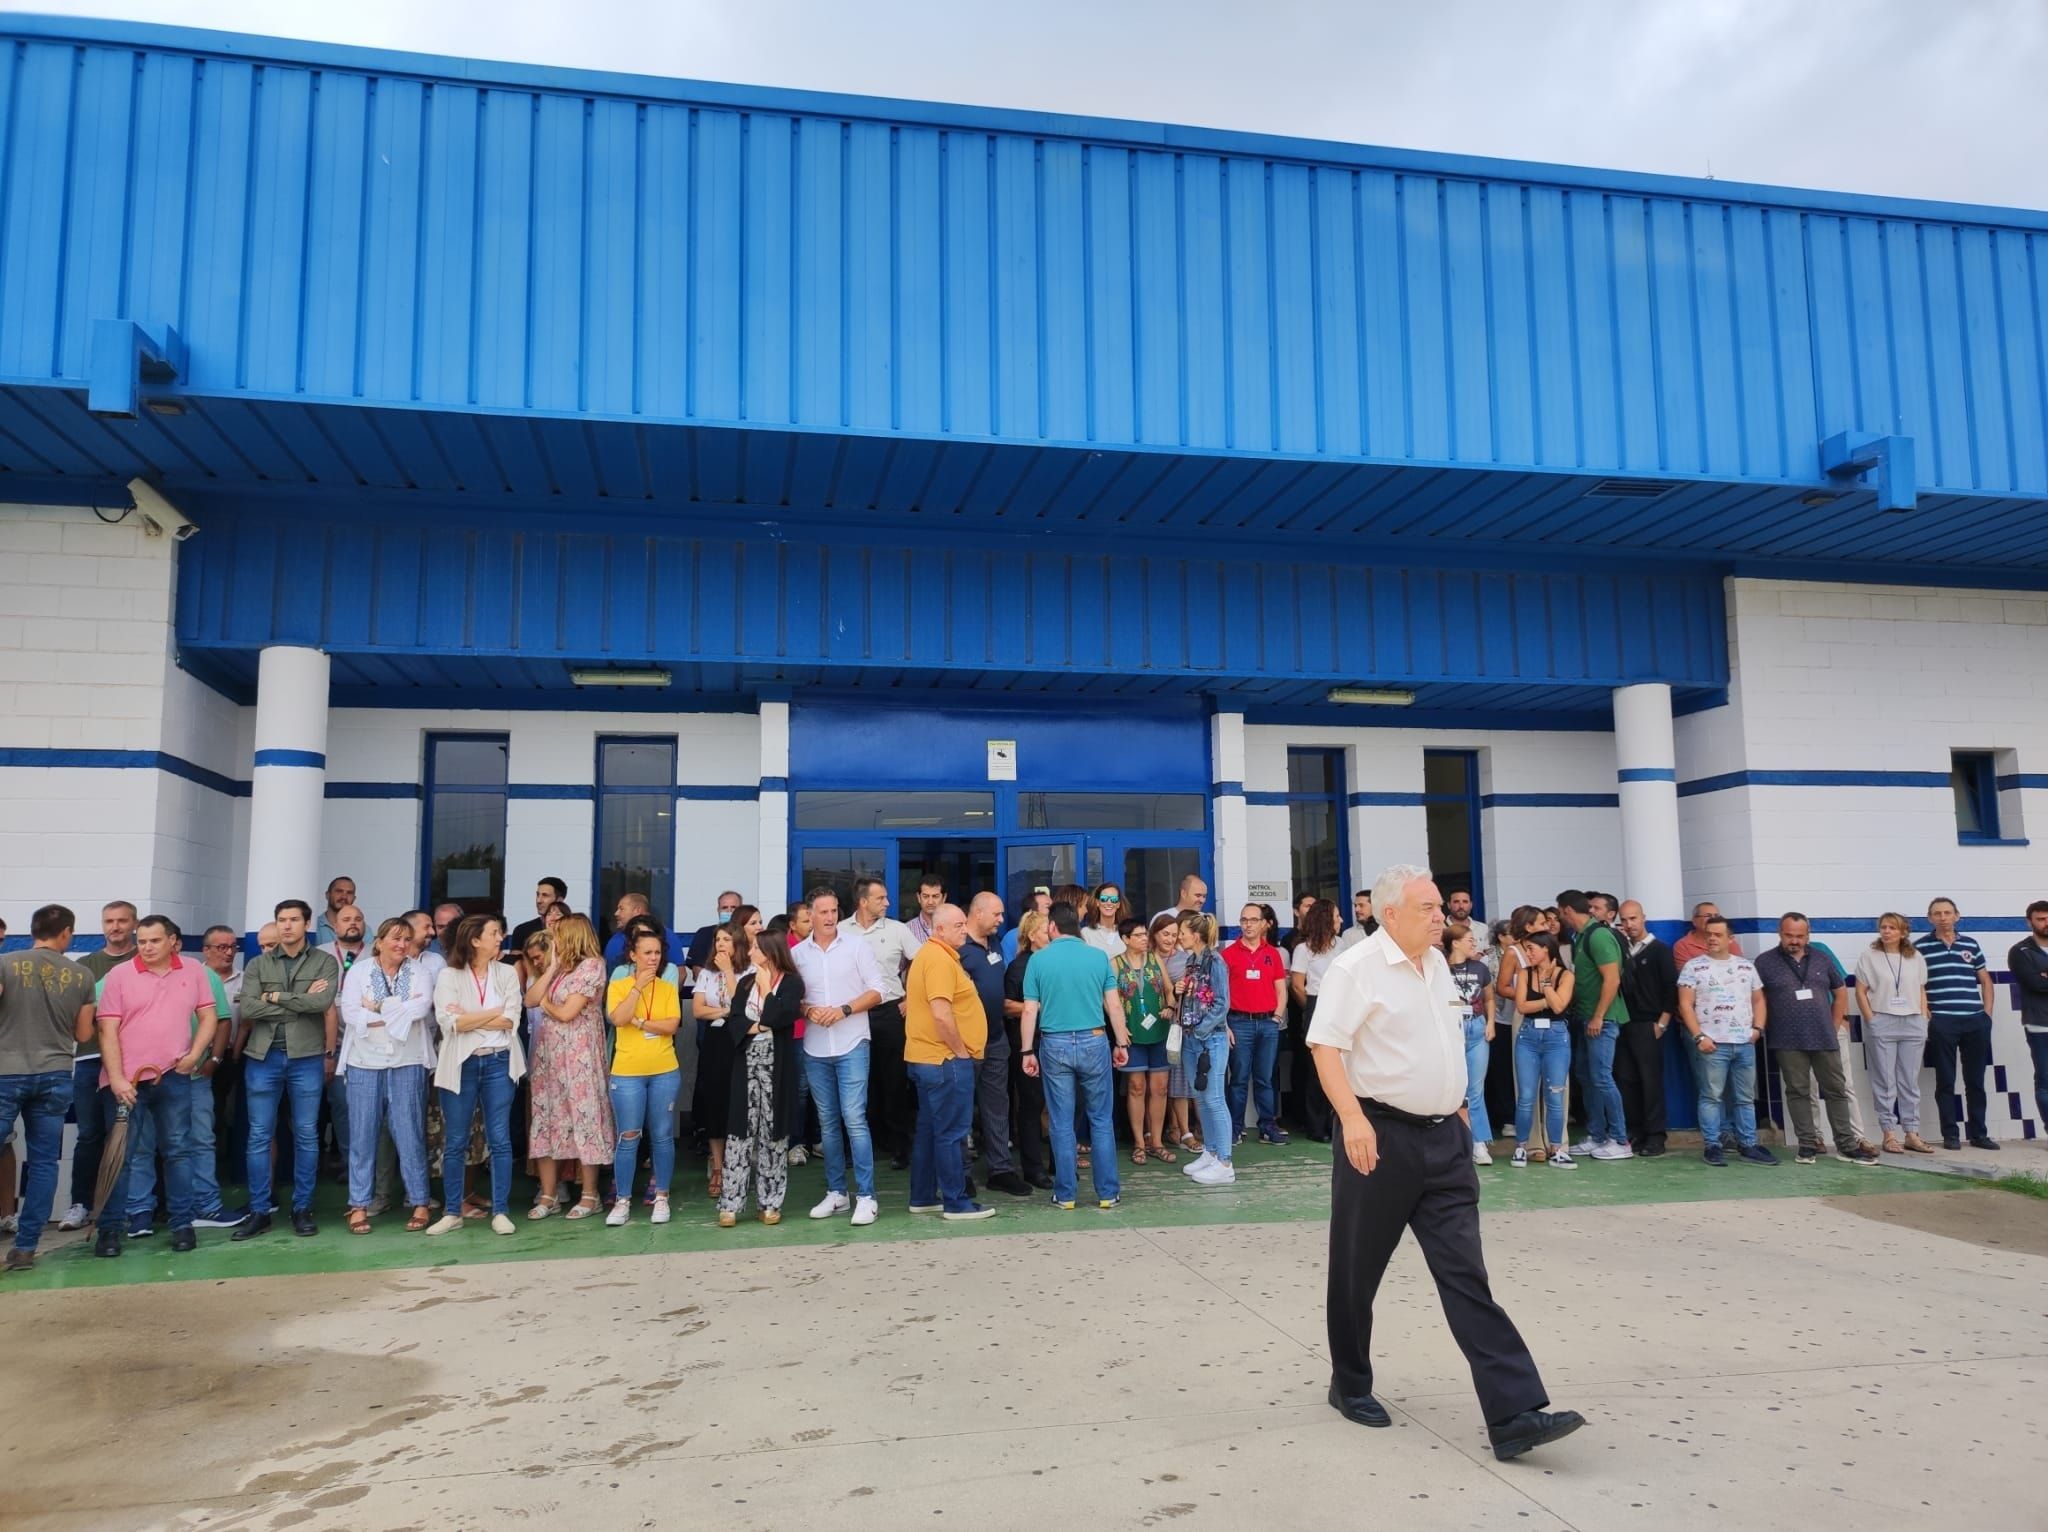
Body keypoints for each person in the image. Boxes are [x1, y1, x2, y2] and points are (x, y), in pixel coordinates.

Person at [1309, 865, 1582, 1460]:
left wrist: (1456, 1105)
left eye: (1441, 907)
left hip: (1445, 1141)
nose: (1443, 915)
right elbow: (1325, 1046)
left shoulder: (1436, 966)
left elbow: (1439, 1043)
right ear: (1391, 915)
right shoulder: (1356, 969)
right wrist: (1353, 1120)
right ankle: (1350, 1383)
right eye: (1429, 907)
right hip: (1378, 1138)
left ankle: (1513, 1414)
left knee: (1467, 1276)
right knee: (1357, 1272)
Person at [91, 915, 219, 1258]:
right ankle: (110, 1231)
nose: (146, 947)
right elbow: (107, 1030)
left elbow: (209, 1017)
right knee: (122, 1156)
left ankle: (182, 1225)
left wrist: (194, 1056)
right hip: (126, 1083)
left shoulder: (193, 971)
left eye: (154, 941)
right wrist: (116, 1078)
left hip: (174, 1077)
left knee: (178, 1151)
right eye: (142, 941)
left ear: (173, 941)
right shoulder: (119, 975)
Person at [232, 901, 340, 1241]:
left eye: (294, 920)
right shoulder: (257, 964)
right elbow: (248, 1007)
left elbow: (321, 1004)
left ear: (307, 923)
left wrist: (275, 996)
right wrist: (297, 1001)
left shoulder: (324, 962)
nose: (287, 926)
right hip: (263, 1058)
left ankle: (302, 1208)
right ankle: (260, 1210)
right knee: (259, 1135)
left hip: (306, 1056)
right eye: (282, 920)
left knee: (307, 1134)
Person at [1020, 901, 1132, 1210]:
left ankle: (1066, 1194)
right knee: (1100, 1119)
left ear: (1053, 927)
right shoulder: (1098, 958)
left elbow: (1030, 1009)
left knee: (1060, 1120)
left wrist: (1027, 1050)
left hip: (1054, 1043)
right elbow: (1114, 1006)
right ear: (1077, 927)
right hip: (1095, 1039)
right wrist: (1121, 1043)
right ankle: (1108, 1193)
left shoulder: (1038, 961)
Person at [0, 905, 94, 1270]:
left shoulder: (6, 963)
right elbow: (83, 1034)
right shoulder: (82, 975)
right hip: (55, 1073)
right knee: (43, 1163)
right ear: (66, 933)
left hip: (6, 1071)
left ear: (33, 930)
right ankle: (25, 1248)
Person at [789, 887, 885, 1226]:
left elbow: (878, 990)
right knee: (828, 1124)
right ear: (810, 916)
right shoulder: (798, 954)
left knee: (854, 1118)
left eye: (834, 911)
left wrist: (844, 1009)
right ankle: (836, 1193)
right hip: (815, 1046)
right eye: (823, 912)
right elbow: (791, 998)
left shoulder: (857, 946)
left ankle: (867, 1196)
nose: (830, 918)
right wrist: (809, 1009)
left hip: (853, 1042)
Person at [425, 914, 526, 1237]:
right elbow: (449, 1023)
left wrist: (471, 1017)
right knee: (455, 1139)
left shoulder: (508, 973)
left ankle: (501, 1211)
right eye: (495, 933)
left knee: (500, 1139)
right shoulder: (449, 976)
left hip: (499, 1061)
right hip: (461, 1064)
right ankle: (453, 1211)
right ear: (475, 940)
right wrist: (492, 1013)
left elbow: (511, 1020)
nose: (501, 938)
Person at [335, 916, 434, 1234]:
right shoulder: (360, 972)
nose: (401, 944)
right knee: (362, 1136)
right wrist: (395, 1011)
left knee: (409, 1134)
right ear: (379, 941)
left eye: (406, 939)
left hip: (408, 1060)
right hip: (364, 1062)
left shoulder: (418, 971)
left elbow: (421, 1009)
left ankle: (419, 1201)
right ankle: (358, 1204)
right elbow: (350, 1013)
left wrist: (374, 1008)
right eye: (395, 938)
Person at [1756, 915, 1878, 1166]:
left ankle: (1846, 1146)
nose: (1795, 941)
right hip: (1786, 1039)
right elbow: (1758, 998)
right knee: (1798, 1092)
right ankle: (1807, 1146)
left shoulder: (1822, 958)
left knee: (1836, 1090)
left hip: (1824, 1036)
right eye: (1790, 935)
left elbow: (1840, 990)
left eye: (1800, 936)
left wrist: (1836, 1023)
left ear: (1808, 935)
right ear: (1780, 933)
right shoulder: (1764, 962)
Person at [901, 903, 996, 1221]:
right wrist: (960, 1051)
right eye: (957, 925)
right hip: (944, 1060)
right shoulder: (939, 960)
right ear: (938, 929)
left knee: (930, 1131)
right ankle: (956, 1202)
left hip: (928, 1058)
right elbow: (942, 1013)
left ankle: (924, 1196)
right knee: (952, 1133)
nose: (964, 930)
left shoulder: (932, 957)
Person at [525, 914, 613, 1220]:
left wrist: (545, 1005)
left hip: (579, 1057)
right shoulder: (558, 968)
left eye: (557, 933)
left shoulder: (592, 965)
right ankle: (549, 1194)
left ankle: (590, 1194)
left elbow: (566, 1013)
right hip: (548, 1058)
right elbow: (529, 999)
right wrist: (550, 969)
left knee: (584, 1118)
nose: (553, 939)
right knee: (547, 1119)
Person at [57, 900, 136, 1232]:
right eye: (109, 921)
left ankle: (126, 1207)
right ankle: (81, 1204)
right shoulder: (85, 966)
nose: (114, 927)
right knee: (89, 1135)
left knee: (127, 1138)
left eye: (121, 921)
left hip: (130, 1062)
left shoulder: (141, 961)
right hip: (89, 1060)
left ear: (134, 924)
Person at [719, 931, 804, 1227]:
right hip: (746, 1065)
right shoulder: (744, 983)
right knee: (739, 1134)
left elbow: (779, 1017)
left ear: (769, 952)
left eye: (756, 947)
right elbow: (736, 1020)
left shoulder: (792, 983)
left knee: (773, 1134)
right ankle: (730, 1203)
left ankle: (769, 1203)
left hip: (776, 1068)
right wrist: (758, 1026)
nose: (751, 950)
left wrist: (767, 990)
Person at [1677, 917, 1777, 1168]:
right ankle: (1713, 1145)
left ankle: (1748, 1144)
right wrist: (1699, 1036)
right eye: (1709, 934)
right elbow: (1685, 1004)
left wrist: (1757, 1029)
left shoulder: (1745, 967)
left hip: (1744, 1042)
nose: (1712, 938)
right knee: (1711, 1096)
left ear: (1729, 939)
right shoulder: (1693, 967)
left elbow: (1758, 1001)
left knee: (1744, 1097)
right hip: (1713, 1043)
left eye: (1718, 935)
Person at [604, 926, 684, 1226]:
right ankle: (623, 1200)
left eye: (657, 953)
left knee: (662, 1135)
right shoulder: (619, 985)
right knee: (628, 1135)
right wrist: (637, 988)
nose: (653, 958)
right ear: (633, 955)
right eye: (647, 953)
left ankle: (661, 1196)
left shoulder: (666, 987)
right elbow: (618, 1018)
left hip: (664, 1069)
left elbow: (672, 1025)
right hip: (626, 1072)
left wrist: (640, 1022)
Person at [848, 877, 922, 1172]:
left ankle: (900, 1147)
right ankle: (863, 1148)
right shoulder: (842, 931)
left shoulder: (897, 929)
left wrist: (911, 997)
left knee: (894, 1081)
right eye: (880, 898)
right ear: (863, 902)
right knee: (859, 1082)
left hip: (891, 1012)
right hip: (854, 1015)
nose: (888, 903)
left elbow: (921, 961)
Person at [961, 892, 1028, 1197]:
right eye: (997, 915)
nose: (1002, 920)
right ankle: (960, 1173)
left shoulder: (996, 944)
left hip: (997, 1038)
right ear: (977, 913)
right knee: (962, 1108)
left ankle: (1000, 1170)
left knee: (997, 1105)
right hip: (964, 1042)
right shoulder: (959, 946)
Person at [1917, 897, 1997, 1151]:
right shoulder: (1920, 948)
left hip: (1975, 1021)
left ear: (1957, 916)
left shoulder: (1971, 944)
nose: (1943, 917)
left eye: (1947, 912)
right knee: (1946, 1080)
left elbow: (1985, 980)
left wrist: (1987, 1014)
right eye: (1937, 913)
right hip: (1943, 1022)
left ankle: (1979, 1134)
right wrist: (1928, 1013)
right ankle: (1950, 1135)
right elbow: (1918, 985)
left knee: (1975, 1081)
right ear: (1929, 918)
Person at [1557, 892, 1632, 1161]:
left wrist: (1599, 1016)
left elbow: (1611, 980)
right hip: (1588, 1017)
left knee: (1601, 1077)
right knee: (1587, 1076)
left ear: (1566, 910)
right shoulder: (1583, 937)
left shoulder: (1598, 936)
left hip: (1602, 1019)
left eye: (1560, 911)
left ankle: (1620, 1139)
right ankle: (1597, 1135)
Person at [1854, 913, 1934, 1154]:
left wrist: (1922, 1017)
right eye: (1883, 927)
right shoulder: (1870, 956)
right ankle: (1889, 1133)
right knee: (1885, 1080)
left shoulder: (1915, 957)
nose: (1886, 931)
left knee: (1909, 1080)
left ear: (1903, 932)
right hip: (1883, 1019)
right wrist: (1871, 1019)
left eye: (1892, 928)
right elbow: (1860, 991)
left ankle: (1911, 1132)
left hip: (1912, 1020)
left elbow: (1921, 989)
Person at [1173, 911, 1235, 1186]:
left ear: (1195, 934)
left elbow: (1222, 1004)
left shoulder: (1215, 962)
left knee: (1214, 1099)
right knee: (1200, 1097)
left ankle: (1224, 1161)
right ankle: (1210, 1152)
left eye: (1182, 932)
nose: (1179, 936)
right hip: (1191, 1037)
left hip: (1209, 1039)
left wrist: (1200, 1030)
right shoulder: (1192, 961)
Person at [693, 918, 752, 1202]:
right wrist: (724, 1014)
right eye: (717, 940)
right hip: (716, 1042)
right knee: (715, 1103)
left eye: (726, 940)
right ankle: (717, 1165)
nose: (720, 945)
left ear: (738, 943)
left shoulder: (751, 971)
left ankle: (738, 1165)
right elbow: (697, 1010)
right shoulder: (706, 972)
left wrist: (729, 973)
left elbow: (742, 1005)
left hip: (741, 1043)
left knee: (738, 1103)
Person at [1221, 903, 1289, 1146]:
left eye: (1252, 920)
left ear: (1263, 924)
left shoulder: (1273, 954)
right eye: (1243, 920)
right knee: (1238, 1078)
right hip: (1239, 1022)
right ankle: (1235, 1128)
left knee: (1265, 1078)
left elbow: (1281, 990)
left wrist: (1277, 1018)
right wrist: (1225, 1024)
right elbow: (1221, 993)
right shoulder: (1228, 955)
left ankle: (1267, 1126)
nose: (1247, 924)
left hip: (1268, 1022)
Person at [1508, 928, 1575, 1169]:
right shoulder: (1524, 974)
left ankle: (1557, 1148)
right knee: (1526, 1096)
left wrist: (1546, 984)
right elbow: (1522, 1006)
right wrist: (1549, 998)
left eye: (1531, 949)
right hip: (1528, 1036)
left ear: (1546, 949)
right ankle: (1521, 1146)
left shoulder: (1565, 975)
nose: (1527, 954)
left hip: (1557, 1038)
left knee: (1555, 1095)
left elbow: (1559, 1007)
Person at [1614, 901, 1675, 1157]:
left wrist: (1662, 1023)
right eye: (1625, 920)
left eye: (1633, 919)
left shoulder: (1660, 950)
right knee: (1626, 1079)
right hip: (1624, 1023)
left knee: (1651, 1081)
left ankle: (1655, 1136)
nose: (1629, 924)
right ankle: (1635, 1131)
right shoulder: (1621, 950)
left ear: (1643, 918)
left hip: (1648, 1024)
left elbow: (1671, 987)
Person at [1112, 917, 1174, 1166]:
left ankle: (1157, 1142)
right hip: (1132, 1032)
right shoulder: (1114, 964)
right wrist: (1119, 1028)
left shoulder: (1155, 959)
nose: (1144, 939)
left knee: (1160, 1088)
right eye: (1138, 935)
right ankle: (1139, 1142)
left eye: (1145, 934)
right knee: (1136, 1087)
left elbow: (1169, 988)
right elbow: (1110, 999)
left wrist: (1170, 1005)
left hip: (1160, 1029)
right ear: (1125, 939)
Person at [1001, 910, 1054, 1190]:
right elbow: (1006, 1005)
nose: (1052, 935)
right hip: (1028, 1044)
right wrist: (1035, 1008)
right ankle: (1034, 1169)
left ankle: (1059, 1162)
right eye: (1047, 931)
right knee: (1032, 1105)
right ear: (1033, 936)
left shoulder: (1056, 963)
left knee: (1060, 1104)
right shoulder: (1018, 967)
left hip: (1054, 1042)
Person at [1442, 923, 1494, 1165]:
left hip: (1477, 1027)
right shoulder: (1440, 967)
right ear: (1455, 942)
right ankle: (1454, 1142)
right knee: (1453, 1087)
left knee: (1476, 1089)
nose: (1474, 943)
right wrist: (1456, 1005)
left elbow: (1489, 997)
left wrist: (1491, 1022)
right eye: (1469, 939)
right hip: (1452, 1029)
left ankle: (1479, 1141)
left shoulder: (1480, 968)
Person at [2009, 901, 2048, 1146]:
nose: (2046, 923)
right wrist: (2041, 978)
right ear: (2029, 922)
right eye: (2041, 919)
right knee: (2045, 1079)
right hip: (2039, 1023)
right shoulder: (2020, 951)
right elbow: (2035, 985)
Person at [685, 890, 746, 972]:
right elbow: (697, 969)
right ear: (718, 910)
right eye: (724, 908)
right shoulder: (704, 934)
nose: (729, 911)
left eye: (733, 907)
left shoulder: (747, 933)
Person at [509, 875, 569, 954]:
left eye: (545, 895)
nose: (539, 900)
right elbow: (515, 963)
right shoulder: (522, 930)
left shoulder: (573, 930)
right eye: (538, 895)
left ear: (559, 900)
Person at [1672, 902, 1742, 965]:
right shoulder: (1683, 946)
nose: (1713, 919)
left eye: (1716, 916)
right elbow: (1688, 975)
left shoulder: (1727, 941)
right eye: (1708, 916)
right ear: (1694, 920)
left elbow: (1739, 968)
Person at [1003, 885, 1052, 961]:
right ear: (1031, 912)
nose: (1053, 911)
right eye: (1048, 907)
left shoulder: (1056, 933)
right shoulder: (1012, 937)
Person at [1082, 884, 1126, 955]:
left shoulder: (1127, 932)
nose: (1109, 903)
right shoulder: (1086, 933)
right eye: (1104, 899)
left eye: (1113, 899)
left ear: (1118, 904)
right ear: (1097, 903)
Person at [314, 877, 356, 945]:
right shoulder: (313, 926)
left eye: (349, 893)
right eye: (339, 891)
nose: (344, 897)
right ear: (328, 895)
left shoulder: (364, 930)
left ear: (354, 899)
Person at [905, 877, 946, 945]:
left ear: (944, 898)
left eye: (935, 896)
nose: (930, 902)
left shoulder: (955, 928)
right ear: (918, 897)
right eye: (926, 896)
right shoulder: (907, 930)